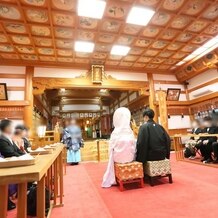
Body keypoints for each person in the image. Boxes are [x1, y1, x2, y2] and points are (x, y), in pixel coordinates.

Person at [102, 107, 136, 188]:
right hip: (130, 158)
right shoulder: (130, 131)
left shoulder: (115, 132)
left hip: (118, 159)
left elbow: (111, 148)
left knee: (112, 152)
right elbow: (134, 146)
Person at [0, 120, 25, 211]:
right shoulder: (2, 138)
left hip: (12, 161)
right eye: (11, 126)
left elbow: (16, 151)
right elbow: (9, 152)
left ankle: (26, 189)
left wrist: (25, 156)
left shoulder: (9, 138)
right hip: (7, 163)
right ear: (5, 128)